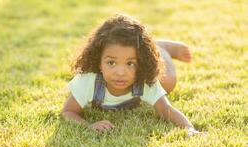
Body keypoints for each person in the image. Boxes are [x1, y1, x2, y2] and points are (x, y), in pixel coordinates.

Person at [61, 14, 203, 136]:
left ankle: (161, 48)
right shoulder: (88, 81)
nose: (120, 72)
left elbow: (166, 110)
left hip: (156, 62)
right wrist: (89, 126)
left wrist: (190, 128)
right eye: (111, 63)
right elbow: (68, 112)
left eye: (130, 63)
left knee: (168, 82)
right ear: (99, 62)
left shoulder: (145, 81)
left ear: (141, 62)